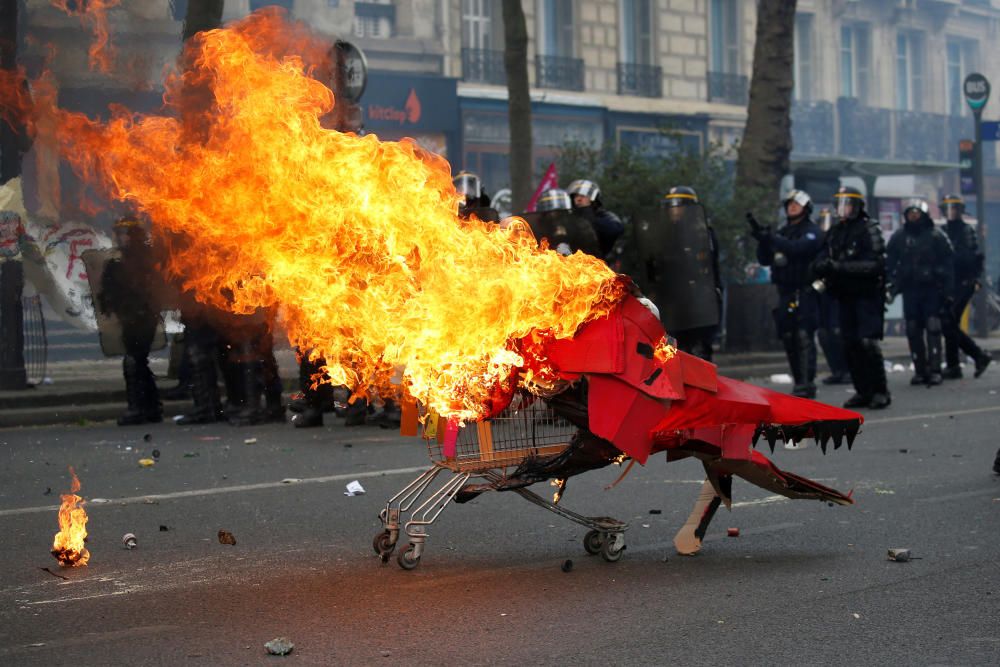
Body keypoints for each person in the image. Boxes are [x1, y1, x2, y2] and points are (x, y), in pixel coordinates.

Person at [811, 186, 890, 409]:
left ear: (857, 207)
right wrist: (820, 267)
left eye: (848, 204)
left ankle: (880, 391)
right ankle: (862, 390)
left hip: (867, 295)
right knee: (850, 344)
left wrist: (841, 267)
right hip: (843, 295)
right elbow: (820, 255)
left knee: (867, 343)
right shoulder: (835, 231)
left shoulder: (869, 229)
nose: (843, 209)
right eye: (840, 204)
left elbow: (876, 265)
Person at [749, 189, 824, 398]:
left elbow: (798, 249)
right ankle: (798, 379)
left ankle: (807, 382)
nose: (792, 207)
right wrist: (763, 241)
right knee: (789, 337)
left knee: (803, 336)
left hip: (805, 291)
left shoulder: (812, 231)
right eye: (789, 204)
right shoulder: (782, 232)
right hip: (785, 291)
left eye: (796, 204)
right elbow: (765, 259)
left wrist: (771, 238)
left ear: (806, 208)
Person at [99, 216, 163, 426]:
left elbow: (152, 290)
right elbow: (108, 293)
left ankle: (139, 408)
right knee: (138, 360)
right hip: (129, 318)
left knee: (134, 361)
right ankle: (151, 407)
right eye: (117, 233)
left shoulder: (144, 261)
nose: (119, 238)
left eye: (123, 233)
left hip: (143, 317)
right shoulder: (118, 262)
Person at [886, 199, 954, 386]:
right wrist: (891, 283)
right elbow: (890, 262)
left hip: (932, 288)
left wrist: (947, 290)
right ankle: (920, 369)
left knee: (933, 328)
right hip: (910, 289)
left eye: (917, 213)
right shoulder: (899, 237)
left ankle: (935, 369)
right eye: (910, 213)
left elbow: (948, 263)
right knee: (913, 329)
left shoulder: (936, 236)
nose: (914, 216)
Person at [649, 186, 721, 361]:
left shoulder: (702, 231)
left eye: (677, 206)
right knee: (673, 351)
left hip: (698, 300)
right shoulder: (666, 233)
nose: (673, 210)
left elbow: (701, 265)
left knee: (699, 351)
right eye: (670, 206)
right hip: (674, 300)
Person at [940, 194, 993, 379]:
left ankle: (978, 355)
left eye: (953, 208)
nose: (950, 212)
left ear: (960, 210)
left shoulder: (966, 231)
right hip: (948, 283)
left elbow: (968, 258)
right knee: (948, 323)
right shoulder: (942, 230)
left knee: (949, 322)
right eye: (947, 208)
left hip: (963, 282)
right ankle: (955, 364)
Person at [813, 208, 852, 385]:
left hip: (841, 291)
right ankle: (836, 369)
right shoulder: (818, 245)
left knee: (838, 331)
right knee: (824, 333)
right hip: (824, 291)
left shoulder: (844, 241)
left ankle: (848, 369)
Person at [529, 188, 601, 257]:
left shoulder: (582, 226)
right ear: (543, 214)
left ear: (567, 212)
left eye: (559, 212)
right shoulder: (534, 230)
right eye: (549, 213)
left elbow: (592, 253)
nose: (554, 215)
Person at [567, 178, 624, 261]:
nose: (578, 199)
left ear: (592, 198)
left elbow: (616, 229)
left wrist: (589, 217)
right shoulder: (569, 217)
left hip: (600, 264)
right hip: (572, 264)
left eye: (582, 195)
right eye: (576, 196)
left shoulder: (604, 215)